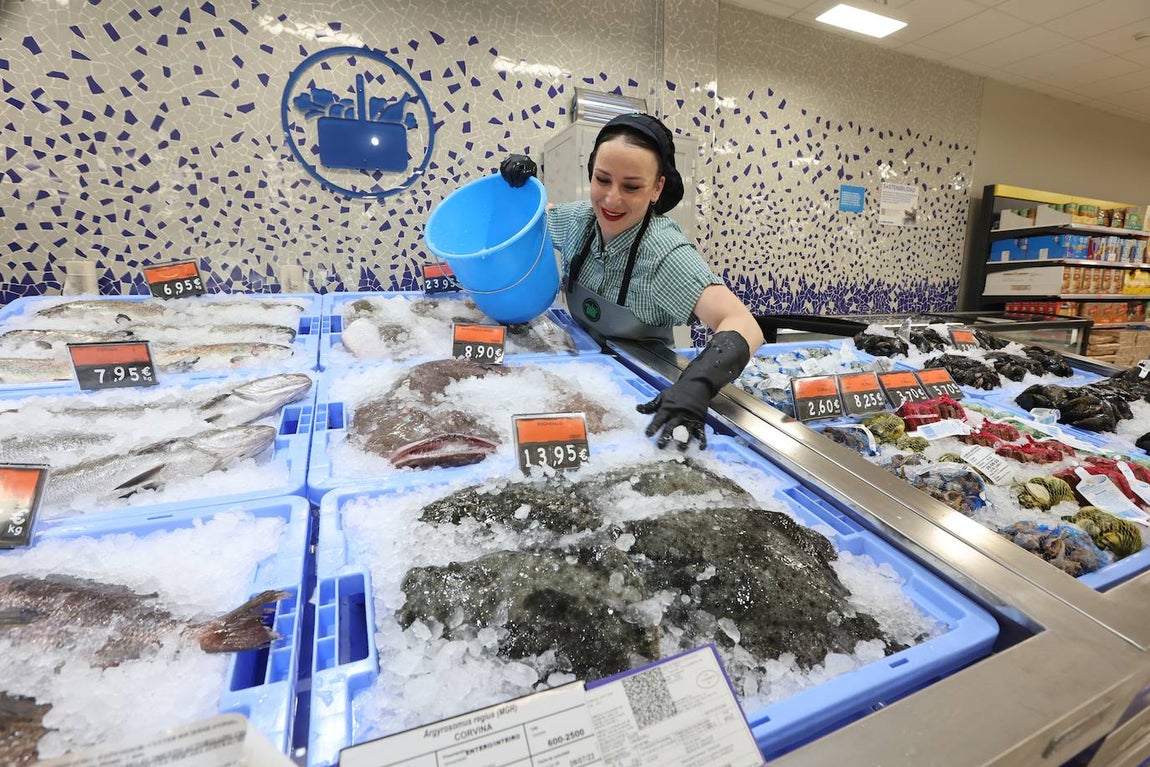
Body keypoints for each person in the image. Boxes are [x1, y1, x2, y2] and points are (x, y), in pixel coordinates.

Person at [499, 112, 764, 451]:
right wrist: (519, 187)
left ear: (657, 188)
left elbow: (744, 323)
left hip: (640, 400)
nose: (611, 199)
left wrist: (698, 382)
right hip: (583, 377)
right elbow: (537, 214)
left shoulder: (664, 253)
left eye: (632, 187)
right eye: (602, 180)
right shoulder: (579, 220)